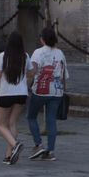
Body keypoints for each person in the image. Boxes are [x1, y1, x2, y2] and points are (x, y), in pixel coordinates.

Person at [0, 30, 30, 164]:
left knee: (0, 124)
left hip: (6, 93)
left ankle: (15, 145)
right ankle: (9, 155)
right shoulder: (25, 56)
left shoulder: (3, 56)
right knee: (12, 123)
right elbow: (31, 71)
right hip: (21, 93)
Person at [26, 24, 69, 160]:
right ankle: (50, 151)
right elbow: (63, 75)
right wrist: (63, 90)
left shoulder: (38, 52)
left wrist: (27, 87)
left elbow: (32, 72)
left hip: (40, 90)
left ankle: (38, 144)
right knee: (51, 120)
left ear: (42, 39)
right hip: (57, 91)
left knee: (31, 116)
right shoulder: (60, 53)